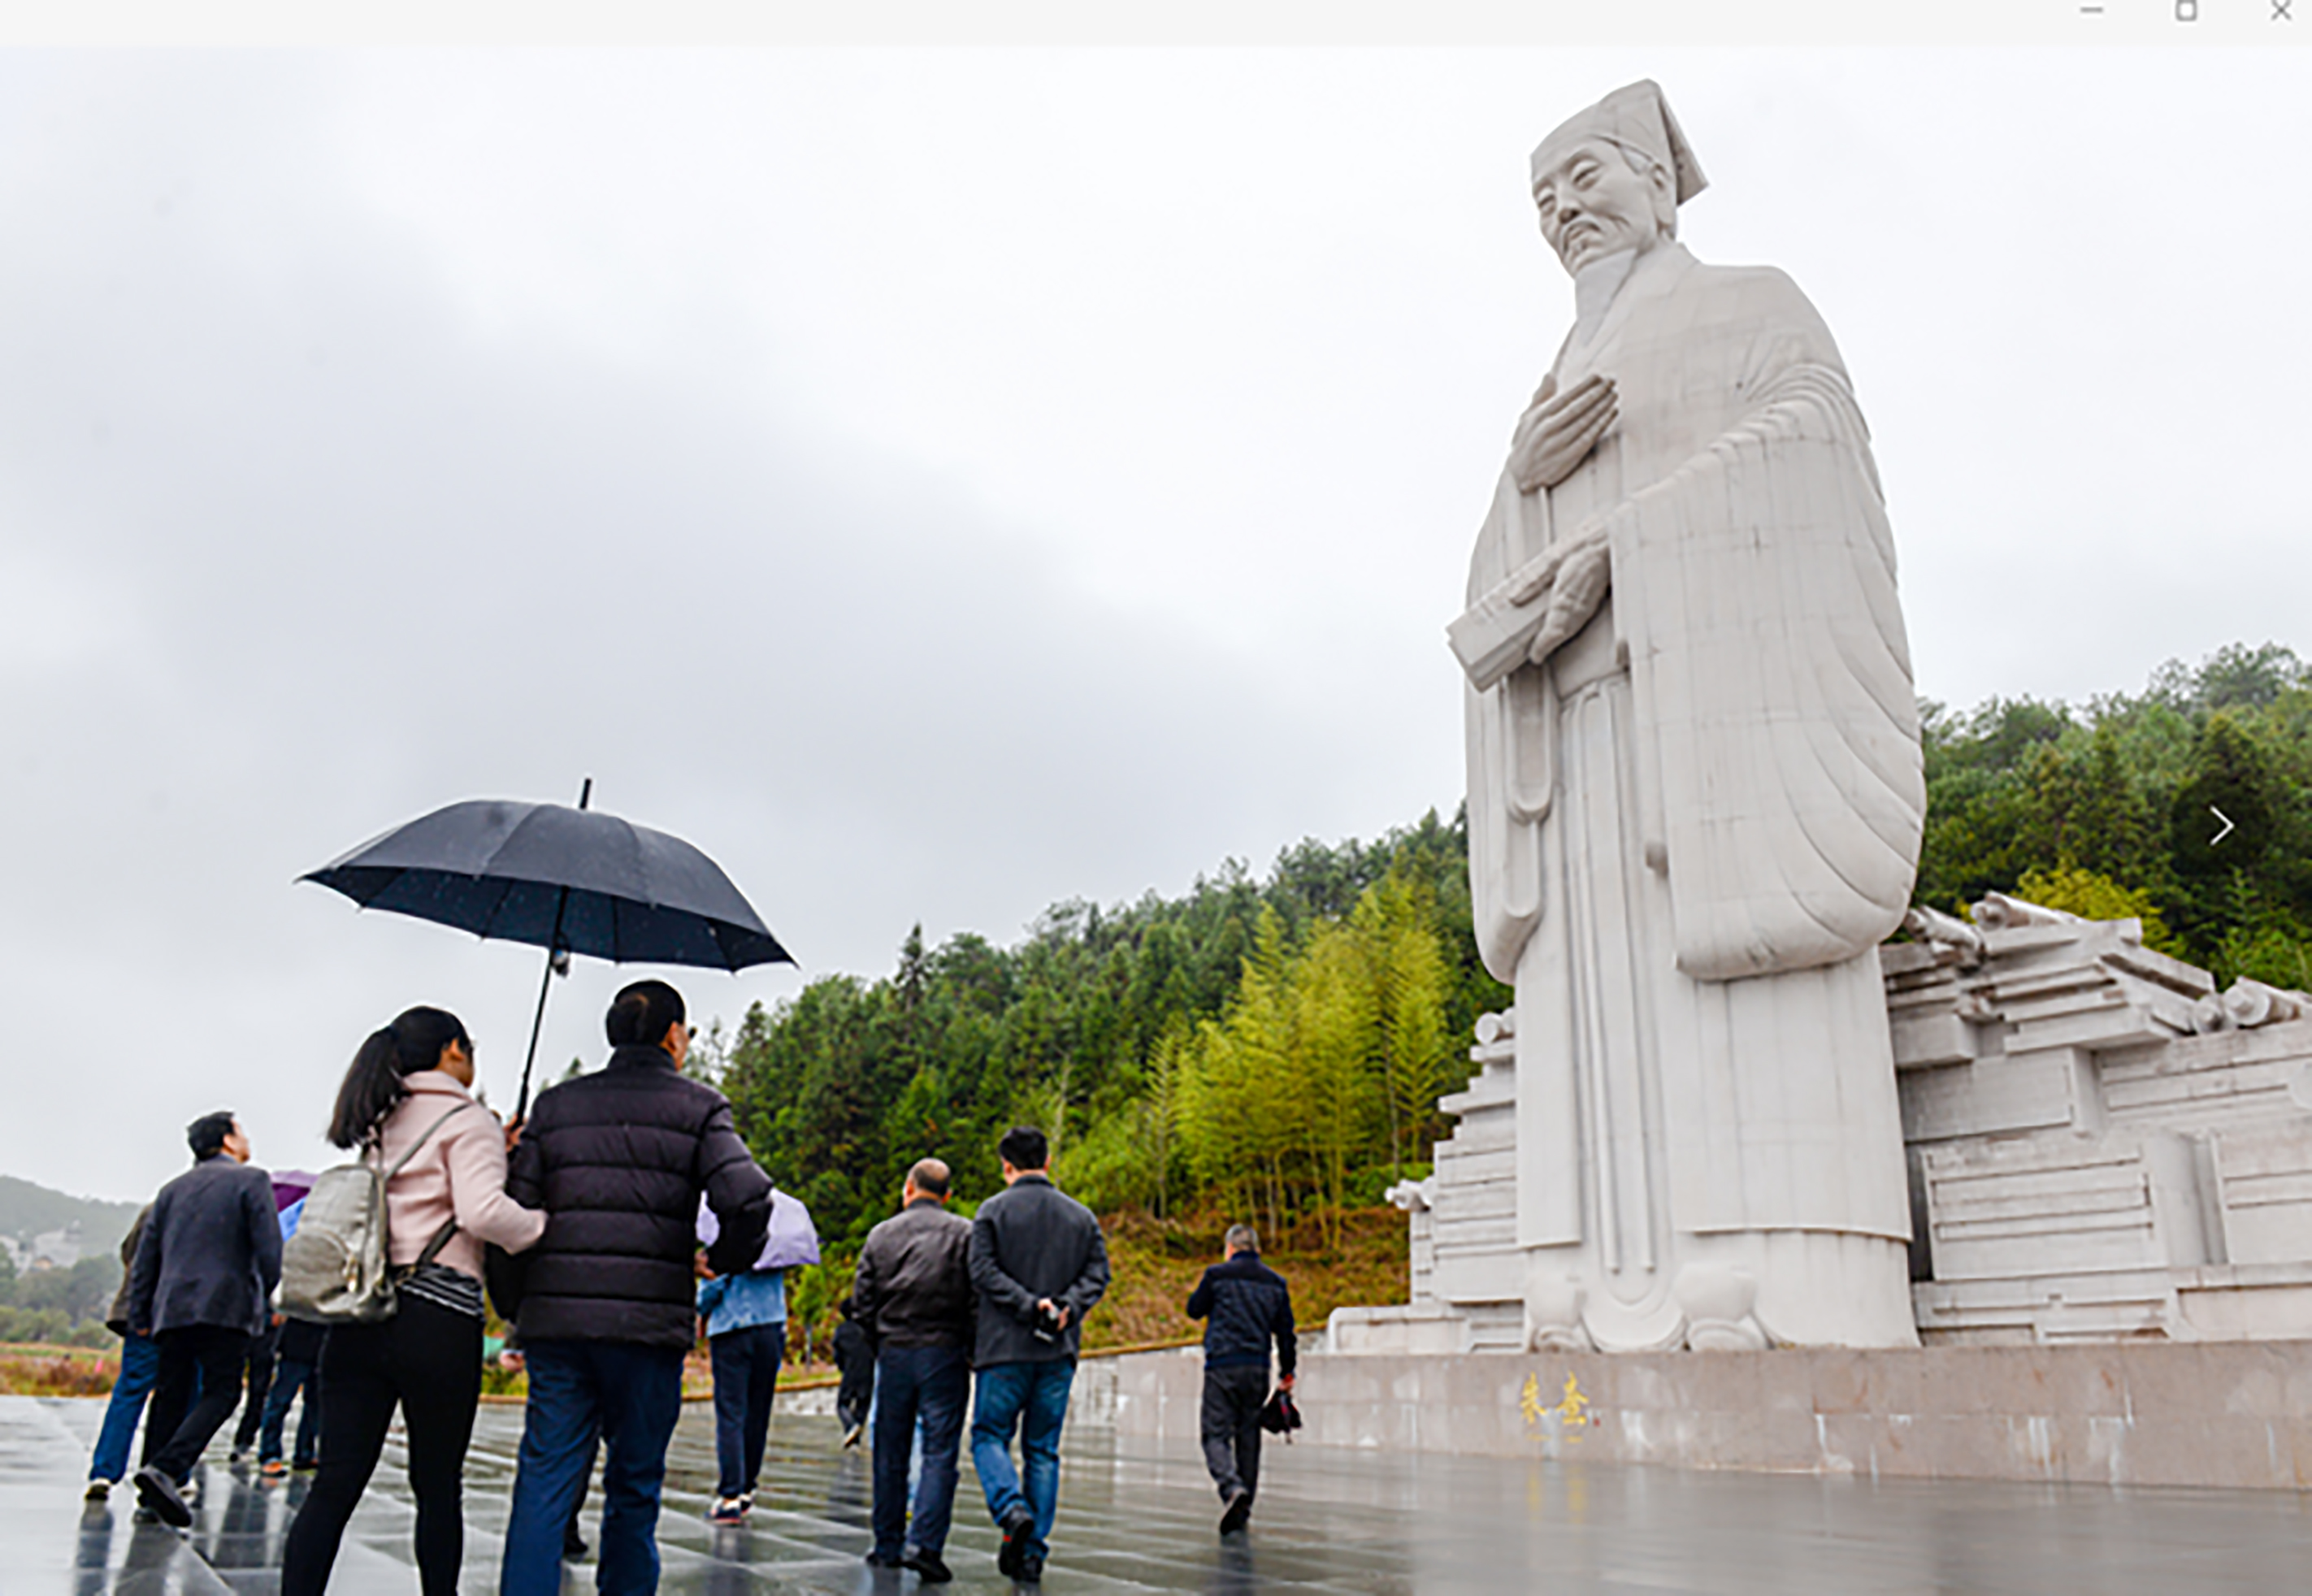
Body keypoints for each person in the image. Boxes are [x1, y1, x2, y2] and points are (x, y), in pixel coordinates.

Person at [1452, 79, 1923, 1350]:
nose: (1562, 211)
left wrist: (1626, 540)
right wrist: (1525, 486)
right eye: (1542, 198)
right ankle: (1579, 1280)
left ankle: (1774, 1272)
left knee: (1729, 1015)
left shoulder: (1750, 305)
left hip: (1711, 738)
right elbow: (1490, 596)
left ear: (1660, 184)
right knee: (1588, 1014)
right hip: (1576, 756)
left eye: (1586, 177)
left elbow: (1815, 440)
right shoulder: (1549, 387)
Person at [497, 979, 772, 1596]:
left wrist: (517, 1308)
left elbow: (513, 1217)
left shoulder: (554, 1107)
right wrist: (721, 1258)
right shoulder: (700, 1107)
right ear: (674, 1036)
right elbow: (748, 1198)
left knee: (544, 1478)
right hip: (646, 1331)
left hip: (559, 1328)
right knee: (634, 1482)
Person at [279, 1007, 546, 1596]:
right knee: (437, 1486)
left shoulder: (378, 1116)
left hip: (360, 1314)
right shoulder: (467, 1118)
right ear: (452, 1049)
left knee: (334, 1486)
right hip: (437, 1320)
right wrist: (539, 1225)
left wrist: (492, 1149)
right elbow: (480, 1212)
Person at [966, 1126, 1108, 1584]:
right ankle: (1033, 1554)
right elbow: (1098, 1274)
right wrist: (1067, 1306)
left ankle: (1010, 1507)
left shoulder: (991, 1212)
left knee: (989, 1435)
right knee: (1043, 1450)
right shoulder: (1081, 1217)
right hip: (1057, 1351)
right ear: (1047, 1162)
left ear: (1006, 1166)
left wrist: (1029, 1306)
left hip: (1003, 1349)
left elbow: (981, 1272)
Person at [126, 1112, 281, 1527]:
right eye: (241, 1131)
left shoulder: (171, 1190)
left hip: (172, 1307)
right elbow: (268, 1249)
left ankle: (149, 1498)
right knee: (223, 1392)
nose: (246, 1139)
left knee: (169, 1397)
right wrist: (273, 1297)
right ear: (228, 1140)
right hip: (226, 1305)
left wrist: (141, 1312)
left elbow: (146, 1258)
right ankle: (167, 1468)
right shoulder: (251, 1181)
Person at [852, 1157, 974, 1583]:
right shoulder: (965, 1234)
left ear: (908, 1189)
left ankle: (887, 1544)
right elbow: (978, 1298)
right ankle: (926, 1545)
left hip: (895, 1351)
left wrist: (880, 1343)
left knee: (890, 1451)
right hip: (945, 1351)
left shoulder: (881, 1235)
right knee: (940, 1451)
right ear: (947, 1195)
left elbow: (862, 1303)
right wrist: (969, 1348)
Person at [1184, 1223, 1296, 1535]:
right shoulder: (1275, 1283)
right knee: (1249, 1438)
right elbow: (1286, 1333)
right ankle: (1244, 1505)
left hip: (1223, 1365)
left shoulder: (1217, 1275)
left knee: (1215, 1434)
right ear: (1257, 1249)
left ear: (1230, 1248)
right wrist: (1288, 1371)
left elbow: (1194, 1309)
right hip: (1257, 1368)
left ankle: (1232, 1488)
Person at [696, 1230, 786, 1524]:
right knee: (758, 1412)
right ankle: (747, 1488)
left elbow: (715, 1281)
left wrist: (700, 1308)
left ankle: (730, 1495)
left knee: (731, 1412)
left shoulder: (728, 1230)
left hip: (732, 1327)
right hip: (771, 1326)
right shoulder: (779, 1236)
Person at [85, 1204, 157, 1501]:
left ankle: (104, 1470)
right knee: (181, 1394)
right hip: (176, 1313)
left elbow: (128, 1251)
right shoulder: (210, 1210)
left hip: (138, 1311)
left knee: (130, 1390)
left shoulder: (156, 1207)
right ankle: (164, 1472)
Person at [256, 1316, 326, 1477]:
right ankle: (269, 1453)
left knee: (315, 1405)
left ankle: (305, 1452)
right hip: (298, 1341)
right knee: (280, 1402)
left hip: (322, 1344)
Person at [228, 1315, 281, 1463]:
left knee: (258, 1393)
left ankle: (244, 1440)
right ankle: (243, 1441)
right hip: (240, 1327)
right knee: (227, 1391)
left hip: (263, 1328)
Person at [832, 1297, 874, 1448]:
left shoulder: (842, 1331)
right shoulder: (868, 1330)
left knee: (842, 1404)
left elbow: (837, 1354)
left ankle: (850, 1427)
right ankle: (856, 1433)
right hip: (868, 1372)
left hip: (850, 1371)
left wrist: (842, 1367)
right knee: (863, 1404)